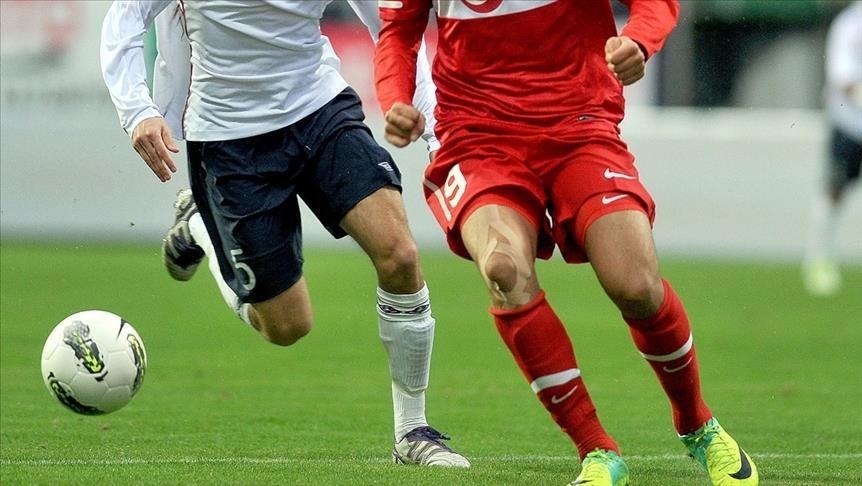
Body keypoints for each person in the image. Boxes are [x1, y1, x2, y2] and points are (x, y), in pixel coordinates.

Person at [374, 1, 758, 484]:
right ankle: (596, 449)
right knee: (502, 269)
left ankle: (697, 424)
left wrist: (639, 40)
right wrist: (395, 98)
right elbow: (398, 31)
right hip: (478, 136)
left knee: (636, 284)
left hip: (580, 122)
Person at [100, 0, 468, 467]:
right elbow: (125, 18)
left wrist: (439, 132)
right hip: (230, 138)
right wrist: (137, 110)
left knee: (400, 255)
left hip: (319, 110)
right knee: (287, 326)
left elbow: (393, 25)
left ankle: (412, 432)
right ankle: (202, 228)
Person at [803, 1, 862, 296]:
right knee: (835, 189)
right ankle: (819, 258)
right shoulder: (849, 25)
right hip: (849, 124)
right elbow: (844, 78)